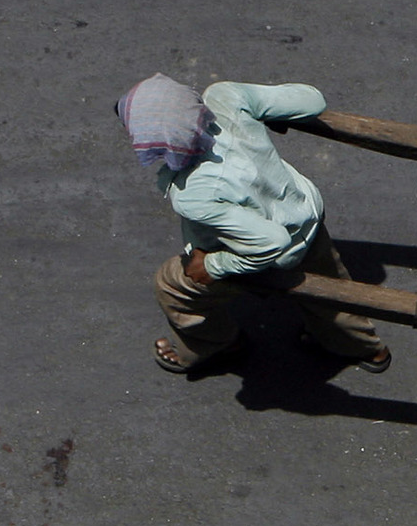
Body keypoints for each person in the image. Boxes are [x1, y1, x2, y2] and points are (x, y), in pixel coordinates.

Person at [118, 73, 391, 375]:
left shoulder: (193, 194)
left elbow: (271, 243)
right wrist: (268, 113)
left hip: (270, 250)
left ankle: (214, 343)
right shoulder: (225, 97)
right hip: (304, 215)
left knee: (172, 285)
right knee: (331, 291)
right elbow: (312, 100)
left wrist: (212, 266)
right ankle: (366, 349)